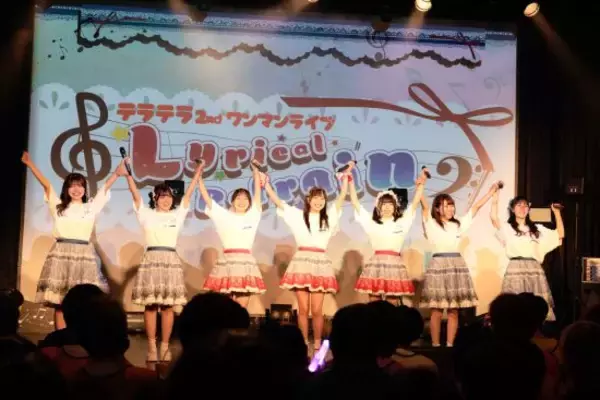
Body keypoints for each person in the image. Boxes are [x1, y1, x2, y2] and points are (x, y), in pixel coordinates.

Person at [21, 151, 126, 329]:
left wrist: (116, 174)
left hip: (83, 256)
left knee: (85, 302)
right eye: (72, 186)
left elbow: (104, 189)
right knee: (61, 302)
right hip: (61, 255)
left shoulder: (90, 207)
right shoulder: (58, 207)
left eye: (80, 186)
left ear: (84, 189)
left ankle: (81, 339)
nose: (76, 190)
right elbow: (47, 185)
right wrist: (30, 164)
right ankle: (63, 339)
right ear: (66, 189)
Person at [264, 167, 349, 351]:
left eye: (322, 198)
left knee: (317, 310)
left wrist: (344, 179)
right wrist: (266, 184)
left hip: (320, 264)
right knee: (303, 309)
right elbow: (278, 202)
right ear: (309, 200)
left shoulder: (329, 217)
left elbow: (342, 196)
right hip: (302, 262)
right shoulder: (298, 216)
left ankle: (317, 343)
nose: (319, 201)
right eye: (316, 198)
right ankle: (303, 342)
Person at [126, 158, 201, 363]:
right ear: (155, 198)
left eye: (168, 196)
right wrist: (128, 175)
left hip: (170, 260)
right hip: (152, 259)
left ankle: (165, 346)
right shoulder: (146, 214)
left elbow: (189, 194)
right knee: (151, 306)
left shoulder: (177, 215)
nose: (166, 200)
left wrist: (198, 172)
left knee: (168, 307)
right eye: (162, 196)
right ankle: (151, 346)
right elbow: (135, 194)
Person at [419, 182, 500, 347]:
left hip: (456, 266)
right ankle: (435, 345)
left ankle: (450, 345)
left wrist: (490, 193)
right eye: (446, 206)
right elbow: (425, 207)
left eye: (452, 206)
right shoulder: (431, 223)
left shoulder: (457, 224)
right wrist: (421, 185)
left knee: (453, 310)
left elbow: (475, 208)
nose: (451, 209)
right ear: (437, 209)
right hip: (439, 265)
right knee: (436, 310)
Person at [349, 167, 428, 304]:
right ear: (378, 207)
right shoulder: (372, 222)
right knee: (374, 303)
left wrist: (421, 184)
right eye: (383, 204)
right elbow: (355, 203)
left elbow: (415, 203)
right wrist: (350, 181)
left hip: (394, 265)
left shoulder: (402, 222)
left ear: (395, 206)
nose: (387, 207)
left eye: (390, 204)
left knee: (392, 302)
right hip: (376, 265)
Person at [197, 161, 266, 308]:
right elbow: (206, 197)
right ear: (233, 201)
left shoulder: (253, 215)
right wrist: (199, 174)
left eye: (245, 198)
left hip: (245, 263)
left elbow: (258, 193)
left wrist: (255, 171)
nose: (242, 201)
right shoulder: (224, 215)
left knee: (242, 307)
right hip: (227, 262)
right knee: (226, 307)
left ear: (249, 202)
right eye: (238, 198)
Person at [491, 194, 564, 321]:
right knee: (514, 305)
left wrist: (556, 212)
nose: (522, 208)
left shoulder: (537, 229)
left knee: (535, 305)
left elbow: (560, 234)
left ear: (529, 209)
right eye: (519, 205)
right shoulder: (508, 228)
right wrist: (495, 195)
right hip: (515, 268)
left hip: (534, 269)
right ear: (513, 209)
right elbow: (493, 217)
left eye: (525, 205)